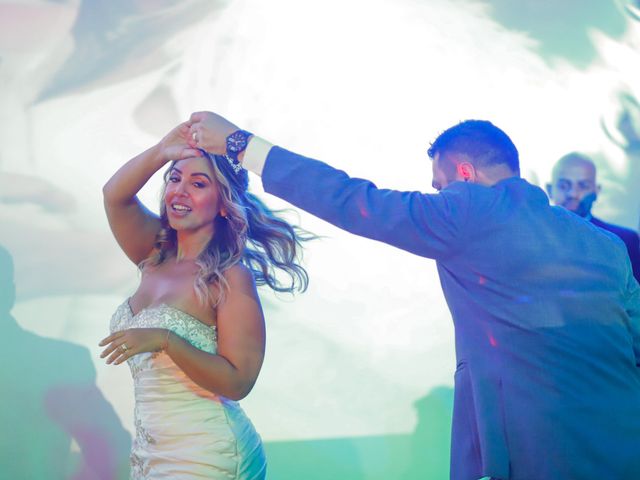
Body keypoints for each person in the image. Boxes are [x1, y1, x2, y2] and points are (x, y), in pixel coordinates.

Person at [187, 112, 640, 480]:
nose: (439, 195)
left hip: (536, 452)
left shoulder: (467, 210)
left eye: (439, 185)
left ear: (464, 173)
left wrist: (240, 144)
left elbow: (352, 200)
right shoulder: (608, 247)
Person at [100, 122, 310, 479]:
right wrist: (162, 150)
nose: (179, 192)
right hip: (151, 455)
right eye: (175, 178)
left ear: (224, 204)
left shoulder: (229, 277)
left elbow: (238, 382)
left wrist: (166, 340)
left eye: (198, 184)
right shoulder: (154, 253)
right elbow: (113, 195)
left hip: (209, 454)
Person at [547, 152, 640, 282]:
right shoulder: (529, 236)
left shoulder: (624, 241)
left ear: (597, 191)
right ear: (549, 190)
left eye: (583, 185)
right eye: (564, 186)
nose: (573, 193)